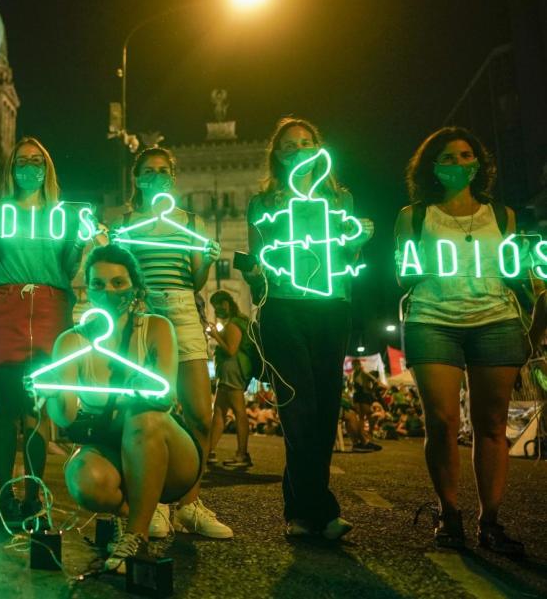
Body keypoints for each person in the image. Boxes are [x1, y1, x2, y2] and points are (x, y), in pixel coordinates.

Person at [394, 126, 531, 555]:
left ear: (479, 163)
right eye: (448, 157)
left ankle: (489, 521)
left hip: (496, 319)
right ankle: (448, 512)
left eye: (466, 155)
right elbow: (403, 271)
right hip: (432, 319)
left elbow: (518, 269)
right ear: (432, 167)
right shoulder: (413, 215)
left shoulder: (503, 216)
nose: (458, 163)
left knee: (492, 425)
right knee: (442, 421)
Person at [241, 117, 373, 540]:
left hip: (332, 305)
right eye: (288, 145)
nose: (298, 150)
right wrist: (256, 270)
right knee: (299, 410)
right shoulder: (263, 203)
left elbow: (347, 251)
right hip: (283, 308)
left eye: (305, 142)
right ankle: (321, 510)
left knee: (325, 407)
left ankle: (300, 511)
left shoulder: (340, 199)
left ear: (318, 148)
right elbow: (259, 260)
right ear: (276, 156)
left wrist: (356, 240)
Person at [40, 244, 201, 571]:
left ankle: (135, 538)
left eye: (118, 283)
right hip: (110, 451)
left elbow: (164, 398)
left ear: (135, 287)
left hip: (166, 449)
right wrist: (53, 389)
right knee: (83, 477)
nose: (108, 291)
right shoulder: (71, 342)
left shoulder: (156, 328)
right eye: (98, 283)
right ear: (88, 288)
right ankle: (135, 512)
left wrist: (139, 390)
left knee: (142, 416)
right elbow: (66, 417)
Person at [111, 146, 231, 539]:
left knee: (199, 410)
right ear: (138, 179)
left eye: (164, 170)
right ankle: (157, 503)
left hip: (182, 307)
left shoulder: (191, 221)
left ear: (172, 177)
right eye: (149, 171)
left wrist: (208, 258)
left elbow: (196, 280)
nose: (157, 176)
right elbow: (123, 276)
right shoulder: (126, 221)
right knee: (150, 409)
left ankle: (189, 503)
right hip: (144, 313)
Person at [0, 137, 83, 537]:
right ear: (11, 169)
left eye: (37, 161)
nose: (30, 167)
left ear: (47, 168)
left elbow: (68, 268)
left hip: (50, 307)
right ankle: (6, 497)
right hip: (7, 304)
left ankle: (34, 497)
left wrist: (79, 245)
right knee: (6, 409)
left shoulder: (62, 216)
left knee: (37, 409)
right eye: (22, 161)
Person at [206, 290, 255, 468]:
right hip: (228, 373)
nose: (218, 307)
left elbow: (231, 349)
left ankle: (242, 454)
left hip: (233, 371)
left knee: (239, 412)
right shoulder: (234, 322)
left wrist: (215, 335)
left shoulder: (235, 324)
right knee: (219, 412)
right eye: (215, 305)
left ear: (228, 303)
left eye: (221, 303)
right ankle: (207, 452)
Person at [350, 368, 382, 451]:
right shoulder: (363, 374)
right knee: (363, 416)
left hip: (359, 396)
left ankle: (364, 438)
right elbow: (377, 382)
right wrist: (371, 391)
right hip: (364, 396)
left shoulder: (356, 375)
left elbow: (351, 386)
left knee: (361, 417)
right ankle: (365, 438)